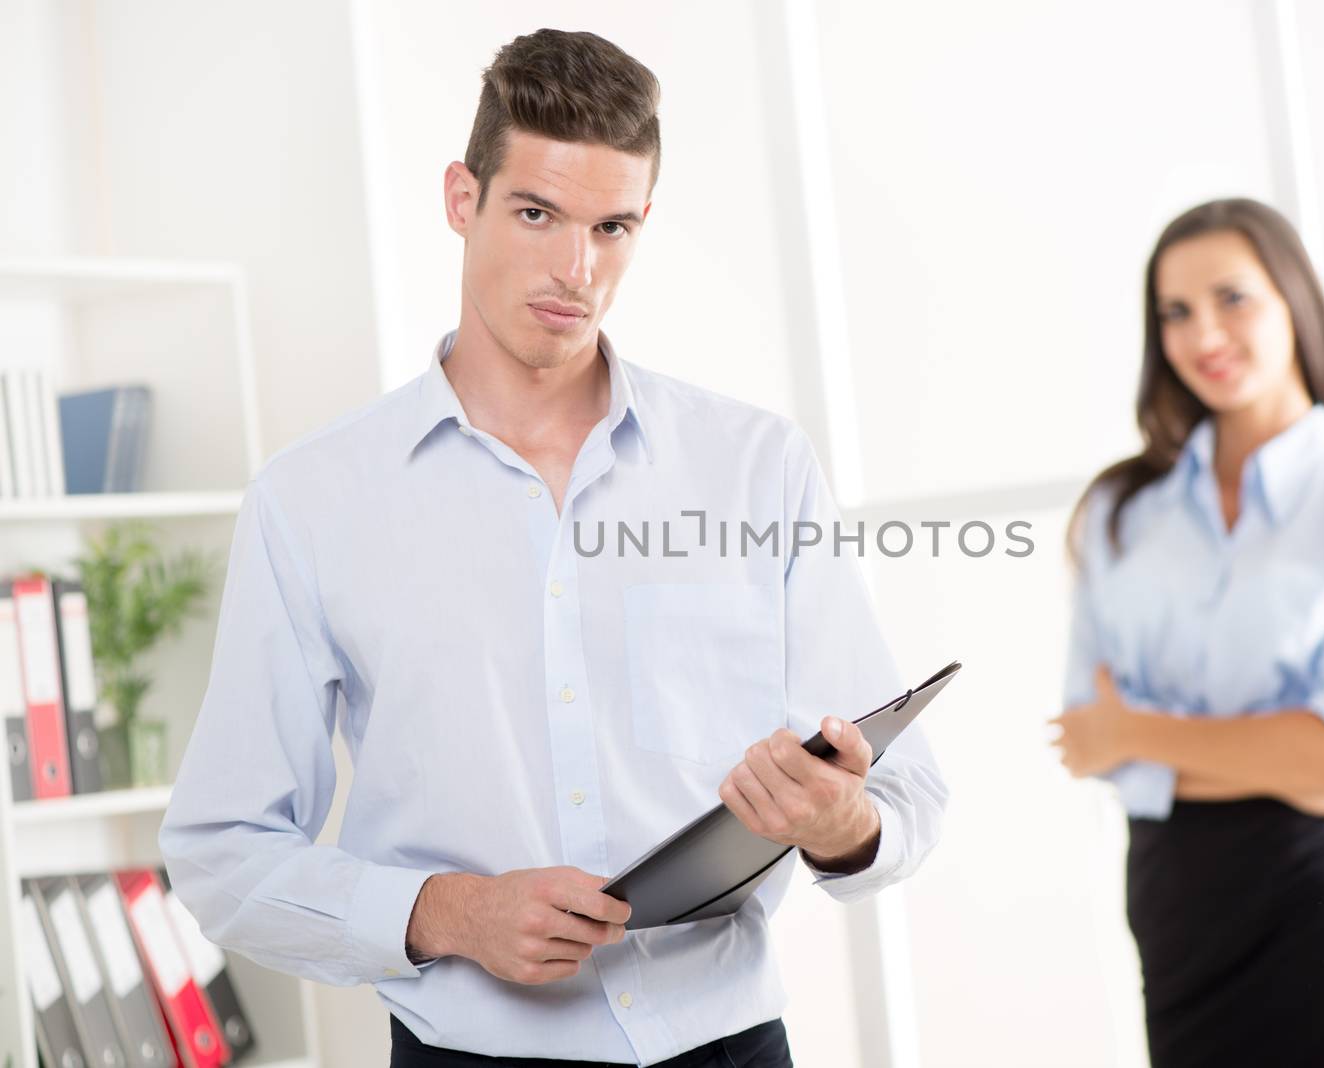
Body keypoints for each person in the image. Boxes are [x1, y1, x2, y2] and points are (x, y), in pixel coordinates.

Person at [159, 28, 946, 1068]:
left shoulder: (755, 465)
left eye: (612, 227)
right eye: (537, 213)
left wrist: (838, 820)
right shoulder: (313, 503)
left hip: (728, 1043)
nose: (575, 269)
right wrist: (447, 914)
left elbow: (908, 801)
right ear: (461, 198)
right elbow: (220, 853)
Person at [1050, 198, 1324, 1067]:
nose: (1204, 336)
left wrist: (1143, 733)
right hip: (1179, 921)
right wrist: (1271, 750)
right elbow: (1087, 741)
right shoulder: (1122, 513)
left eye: (1233, 299)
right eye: (1176, 312)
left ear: (1294, 303)